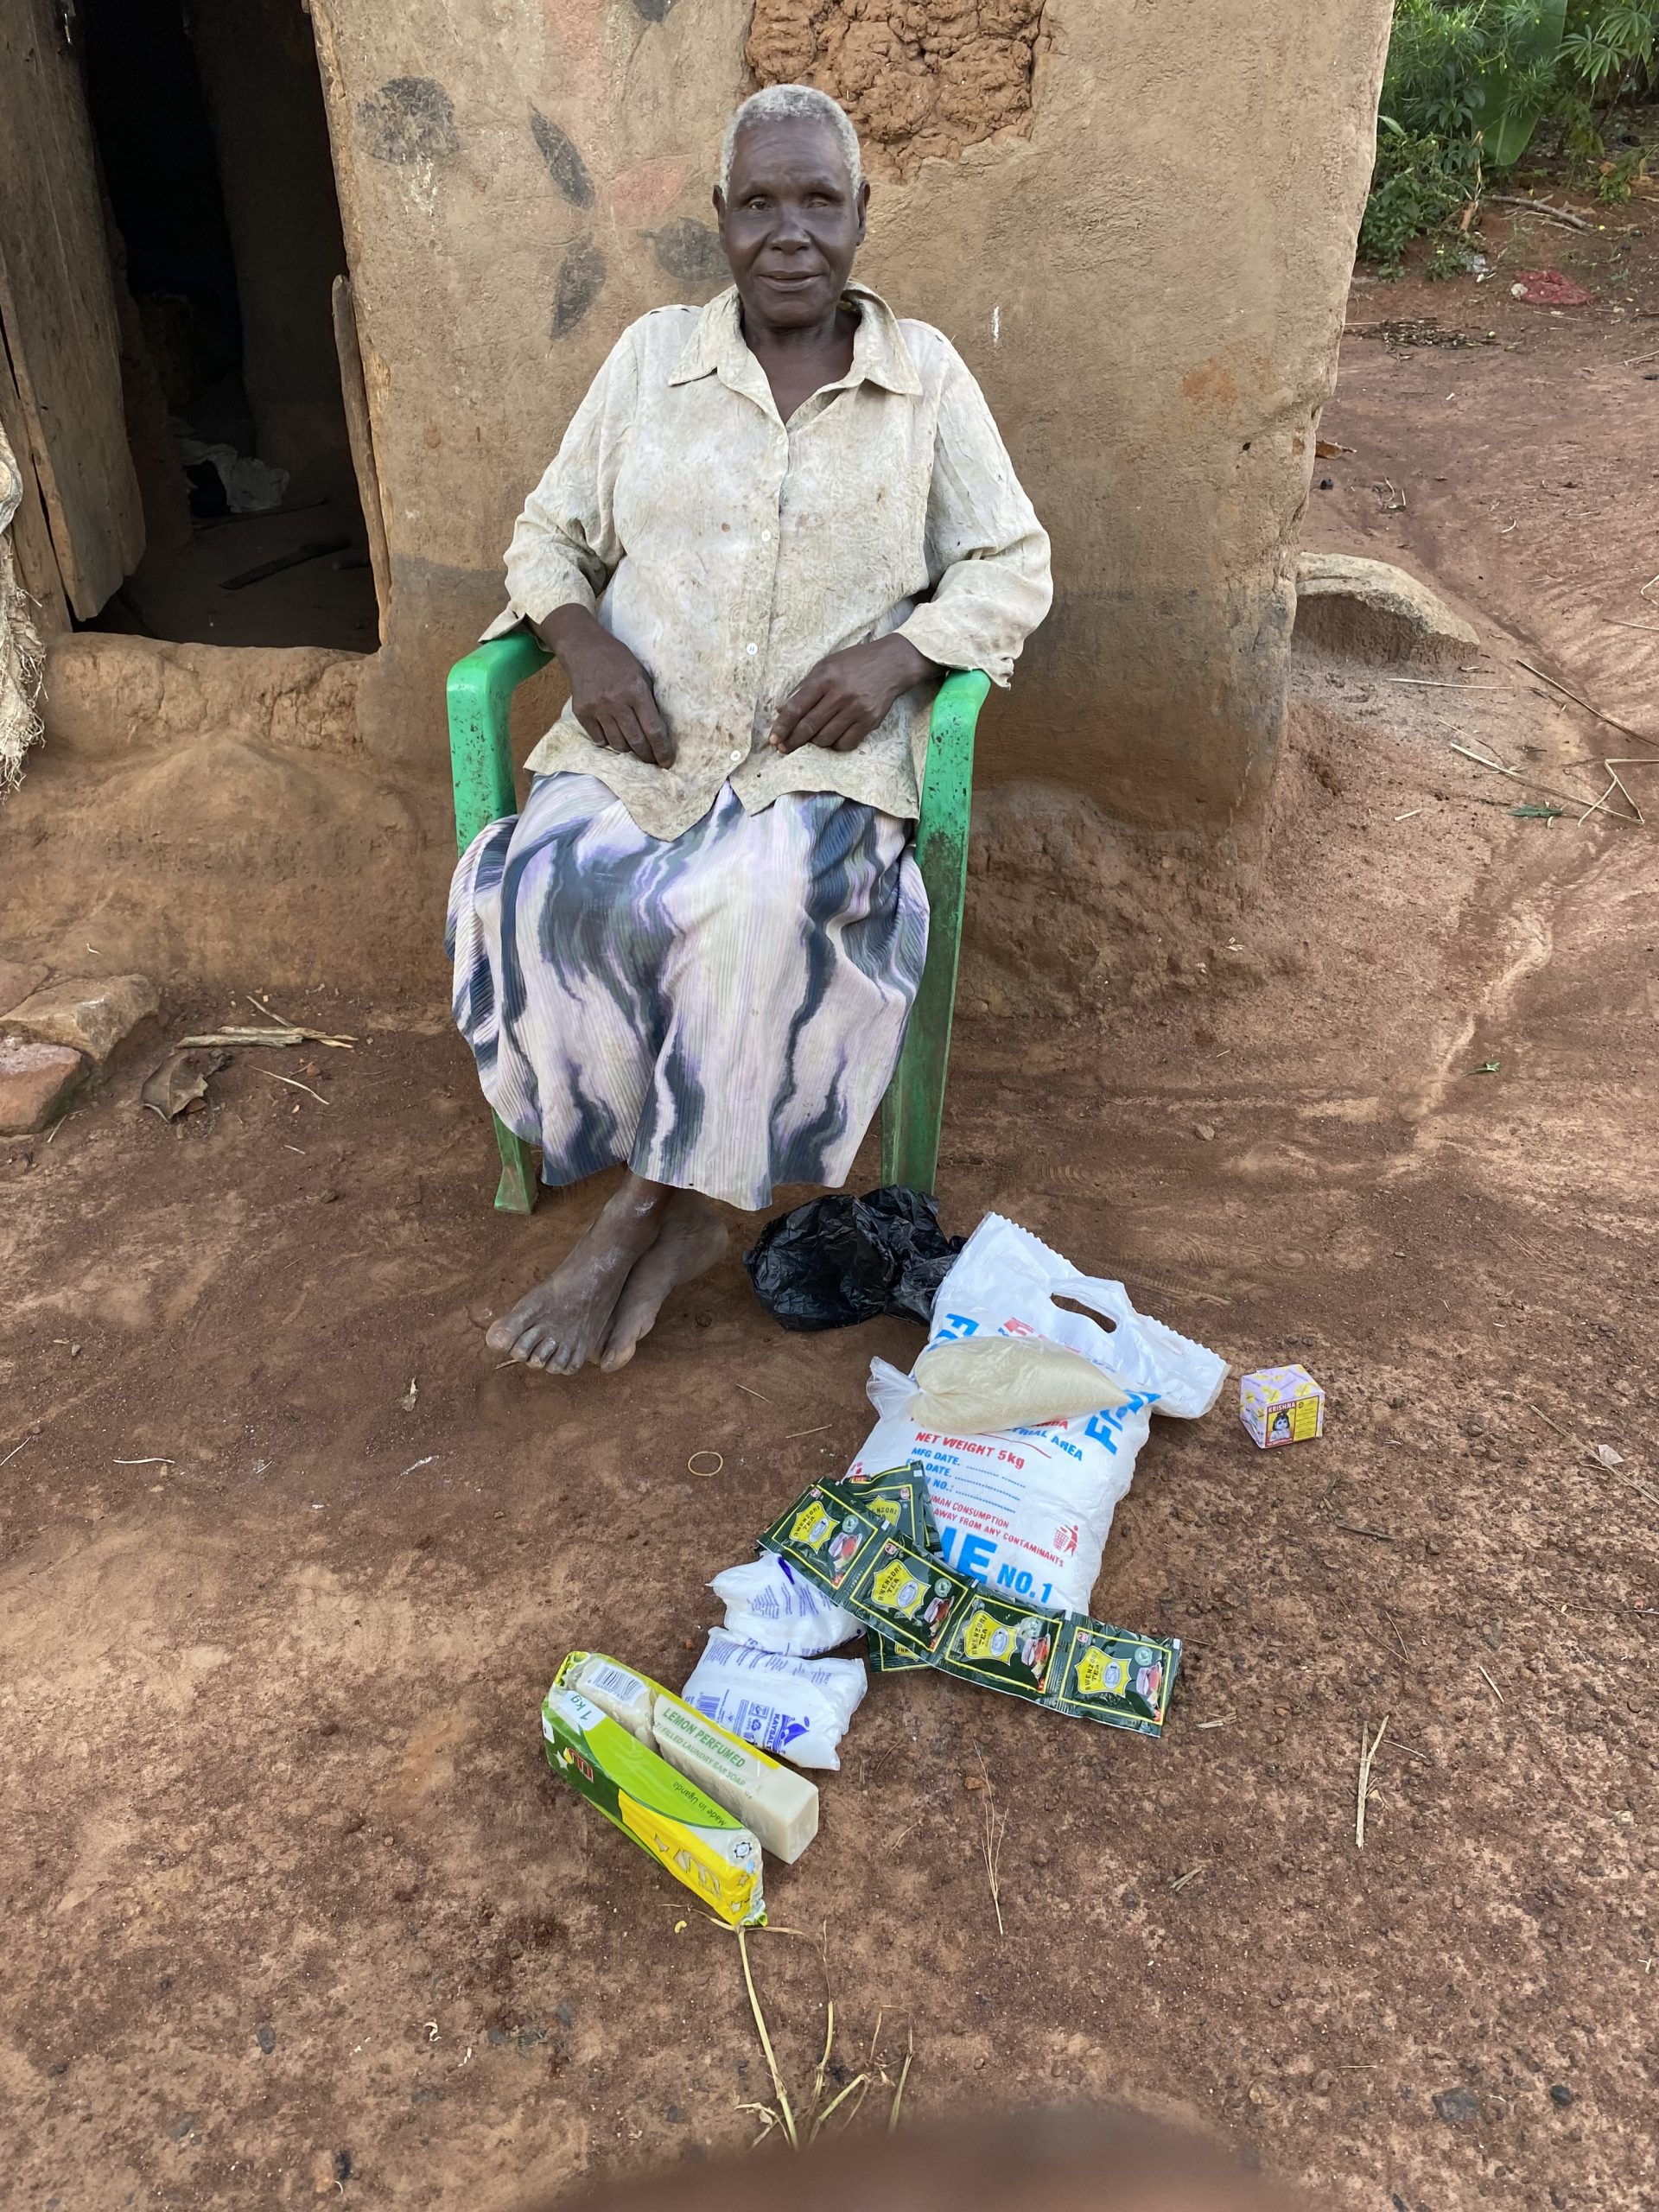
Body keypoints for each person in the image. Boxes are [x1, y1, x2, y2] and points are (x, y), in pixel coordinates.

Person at [449, 84, 1052, 1376]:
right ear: (718, 220)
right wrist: (585, 641)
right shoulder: (650, 363)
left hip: (816, 772)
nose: (792, 233)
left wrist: (901, 655)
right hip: (645, 752)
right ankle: (676, 1174)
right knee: (547, 889)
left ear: (861, 218)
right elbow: (548, 535)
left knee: (760, 906)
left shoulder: (924, 379)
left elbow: (1011, 566)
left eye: (819, 201)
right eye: (762, 202)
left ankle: (642, 1218)